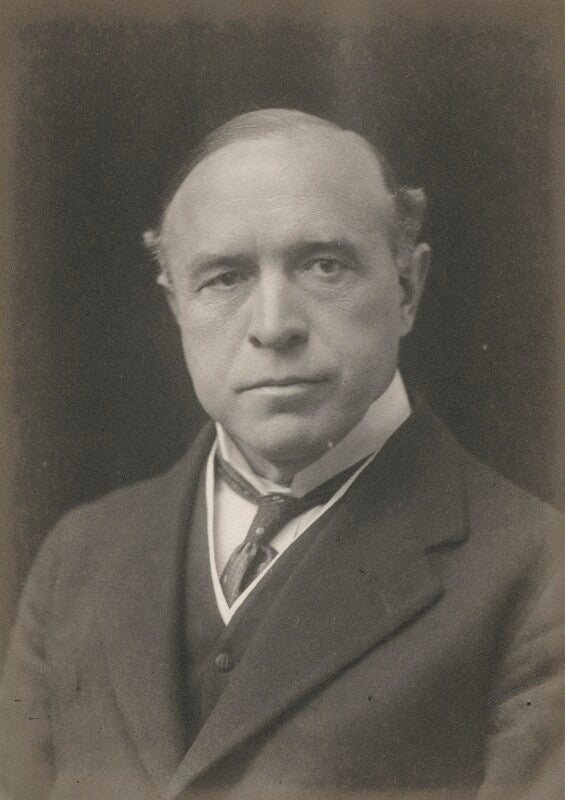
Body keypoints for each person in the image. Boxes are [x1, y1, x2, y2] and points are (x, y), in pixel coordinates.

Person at [0, 109, 563, 800]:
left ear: (407, 288)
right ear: (176, 307)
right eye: (224, 278)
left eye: (324, 266)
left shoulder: (538, 570)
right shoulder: (78, 558)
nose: (273, 327)